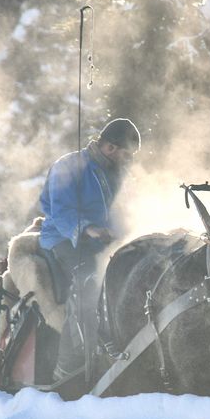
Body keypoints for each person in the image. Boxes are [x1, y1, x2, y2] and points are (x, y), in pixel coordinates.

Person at [39, 117, 141, 383]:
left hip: (104, 241)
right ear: (110, 147)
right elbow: (60, 211)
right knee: (88, 279)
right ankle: (69, 362)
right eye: (126, 153)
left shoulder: (120, 172)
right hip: (63, 239)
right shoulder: (68, 166)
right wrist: (86, 229)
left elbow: (128, 209)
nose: (128, 160)